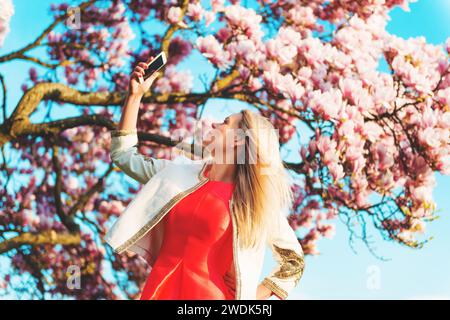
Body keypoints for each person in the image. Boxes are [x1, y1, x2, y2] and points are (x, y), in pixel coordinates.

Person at [105, 56, 305, 300]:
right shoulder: (178, 175)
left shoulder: (253, 204)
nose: (213, 124)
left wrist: (250, 298)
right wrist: (134, 96)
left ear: (239, 139)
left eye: (225, 123)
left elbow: (293, 262)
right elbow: (123, 155)